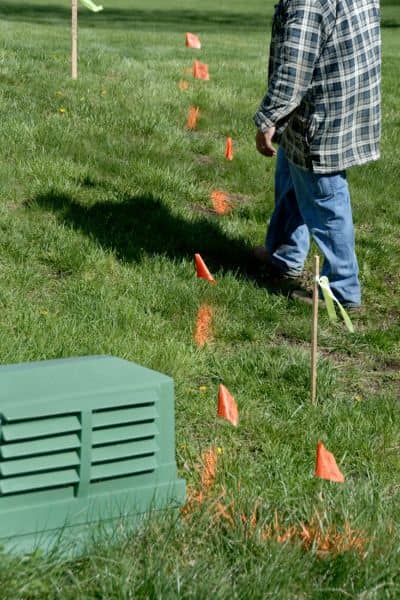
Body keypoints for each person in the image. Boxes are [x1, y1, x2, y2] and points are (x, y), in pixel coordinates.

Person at [253, 0, 381, 308]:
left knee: (325, 195)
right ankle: (285, 255)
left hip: (323, 109)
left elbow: (295, 67)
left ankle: (342, 289)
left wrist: (269, 118)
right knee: (292, 170)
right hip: (346, 94)